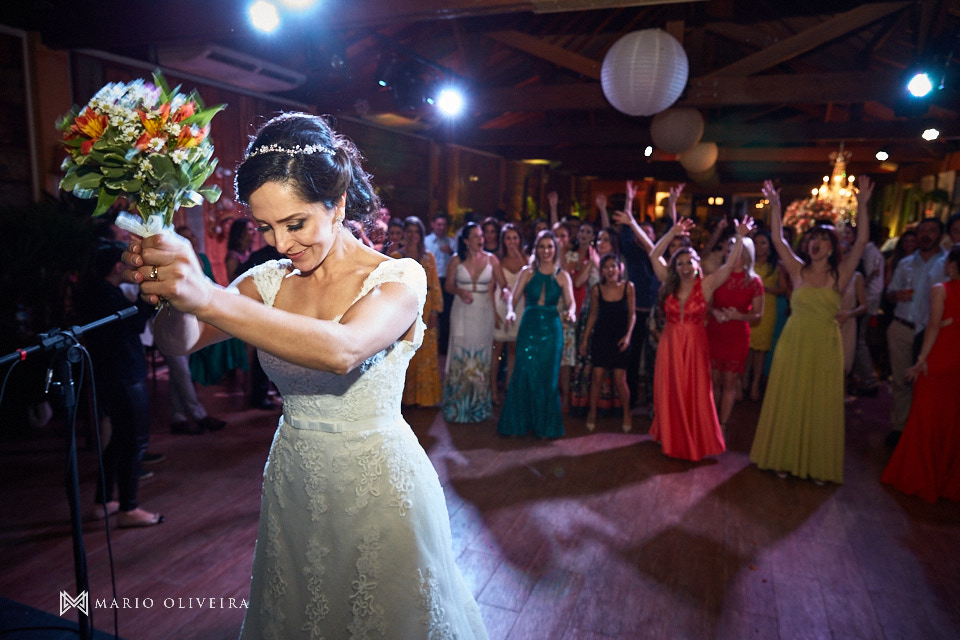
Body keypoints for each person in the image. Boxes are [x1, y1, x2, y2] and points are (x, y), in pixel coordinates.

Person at [125, 112, 487, 639]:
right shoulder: (265, 282)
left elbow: (343, 350)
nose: (281, 244)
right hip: (295, 477)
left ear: (337, 204)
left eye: (295, 224)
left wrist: (206, 294)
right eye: (266, 228)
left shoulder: (397, 278)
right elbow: (179, 342)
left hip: (379, 484)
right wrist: (173, 296)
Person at [750, 176, 874, 485]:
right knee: (789, 397)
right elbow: (778, 239)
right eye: (811, 238)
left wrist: (863, 207)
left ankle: (816, 464)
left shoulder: (841, 275)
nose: (814, 243)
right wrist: (776, 207)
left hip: (823, 342)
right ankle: (781, 456)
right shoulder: (798, 269)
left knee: (820, 403)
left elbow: (860, 242)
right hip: (795, 339)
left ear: (832, 248)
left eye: (822, 239)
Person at [646, 215, 754, 461]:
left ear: (697, 264)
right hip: (670, 343)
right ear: (675, 267)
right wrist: (671, 234)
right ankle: (671, 436)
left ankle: (693, 439)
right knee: (671, 389)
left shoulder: (706, 286)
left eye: (689, 262)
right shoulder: (668, 282)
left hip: (695, 346)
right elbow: (654, 255)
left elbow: (727, 267)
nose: (685, 267)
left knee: (694, 391)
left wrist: (740, 237)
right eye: (680, 263)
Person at [78, 241, 163, 527]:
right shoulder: (105, 294)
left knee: (118, 441)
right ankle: (129, 508)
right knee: (135, 442)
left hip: (110, 375)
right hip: (124, 376)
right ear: (117, 266)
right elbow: (136, 323)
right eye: (126, 262)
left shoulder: (94, 292)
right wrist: (150, 287)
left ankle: (103, 502)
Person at [881, 245, 960, 501]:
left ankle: (920, 476)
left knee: (926, 418)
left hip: (940, 356)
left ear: (951, 264)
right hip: (956, 361)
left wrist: (921, 359)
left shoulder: (941, 289)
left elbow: (933, 326)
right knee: (951, 421)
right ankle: (948, 481)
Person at [497, 230, 576, 439]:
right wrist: (511, 312)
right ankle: (519, 424)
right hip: (529, 326)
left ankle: (545, 427)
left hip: (552, 329)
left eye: (550, 247)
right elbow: (512, 298)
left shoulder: (562, 275)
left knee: (548, 378)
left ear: (555, 249)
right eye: (542, 247)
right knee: (524, 372)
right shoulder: (527, 272)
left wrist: (572, 312)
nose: (546, 251)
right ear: (536, 250)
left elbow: (571, 301)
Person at [885, 218, 946, 446]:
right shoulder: (906, 263)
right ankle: (899, 428)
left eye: (932, 230)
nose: (926, 235)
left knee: (926, 383)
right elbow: (890, 293)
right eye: (922, 231)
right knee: (901, 381)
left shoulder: (947, 263)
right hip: (902, 325)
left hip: (931, 331)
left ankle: (921, 430)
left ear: (940, 234)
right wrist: (896, 295)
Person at [443, 222, 505, 423]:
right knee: (460, 352)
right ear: (467, 241)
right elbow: (449, 285)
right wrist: (460, 291)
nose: (481, 239)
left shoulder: (492, 259)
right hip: (461, 311)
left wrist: (507, 295)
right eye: (476, 236)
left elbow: (504, 284)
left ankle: (478, 407)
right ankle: (457, 408)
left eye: (482, 236)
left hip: (483, 311)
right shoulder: (455, 260)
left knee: (481, 354)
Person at [706, 235, 764, 429]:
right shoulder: (718, 276)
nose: (730, 255)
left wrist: (740, 316)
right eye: (728, 251)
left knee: (730, 382)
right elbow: (704, 304)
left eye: (735, 252)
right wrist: (714, 311)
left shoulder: (754, 282)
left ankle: (722, 424)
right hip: (714, 332)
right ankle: (710, 422)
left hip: (737, 335)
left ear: (747, 256)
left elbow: (758, 315)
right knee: (713, 381)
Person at [579, 253, 636, 432]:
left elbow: (632, 315)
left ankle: (627, 413)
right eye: (606, 267)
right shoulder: (597, 289)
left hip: (620, 338)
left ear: (620, 269)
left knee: (620, 379)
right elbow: (593, 315)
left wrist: (628, 336)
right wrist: (585, 339)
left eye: (613, 266)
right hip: (601, 337)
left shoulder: (628, 287)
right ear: (601, 270)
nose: (610, 270)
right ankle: (592, 413)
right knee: (596, 377)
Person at [391, 216, 443, 406]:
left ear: (421, 235)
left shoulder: (428, 257)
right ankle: (406, 398)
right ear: (405, 233)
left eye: (416, 232)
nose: (413, 236)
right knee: (405, 350)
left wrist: (436, 310)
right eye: (410, 231)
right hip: (404, 307)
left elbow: (435, 285)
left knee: (426, 350)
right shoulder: (397, 257)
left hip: (426, 307)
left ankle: (425, 399)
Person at [491, 223, 529, 404]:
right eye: (508, 238)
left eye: (515, 238)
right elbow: (492, 288)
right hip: (501, 304)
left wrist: (520, 257)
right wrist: (495, 314)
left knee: (514, 349)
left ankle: (510, 389)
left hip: (519, 306)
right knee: (497, 349)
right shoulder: (498, 259)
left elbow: (531, 281)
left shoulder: (527, 259)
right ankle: (492, 391)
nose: (512, 242)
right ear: (503, 240)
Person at [744, 231, 784, 401]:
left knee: (761, 349)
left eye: (763, 243)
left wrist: (763, 289)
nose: (760, 247)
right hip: (749, 307)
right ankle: (743, 380)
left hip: (767, 308)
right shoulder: (748, 264)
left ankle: (755, 384)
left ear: (769, 246)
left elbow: (783, 289)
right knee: (747, 347)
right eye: (757, 243)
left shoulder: (776, 266)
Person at [424, 212, 454, 355]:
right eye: (439, 224)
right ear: (433, 224)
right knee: (431, 314)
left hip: (446, 281)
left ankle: (443, 349)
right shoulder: (426, 241)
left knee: (445, 316)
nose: (441, 227)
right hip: (430, 282)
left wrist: (451, 251)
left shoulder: (451, 242)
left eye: (444, 225)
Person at [225, 218, 256, 282]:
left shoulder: (252, 252)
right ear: (241, 232)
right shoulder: (233, 256)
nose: (254, 232)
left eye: (253, 229)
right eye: (250, 229)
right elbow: (232, 280)